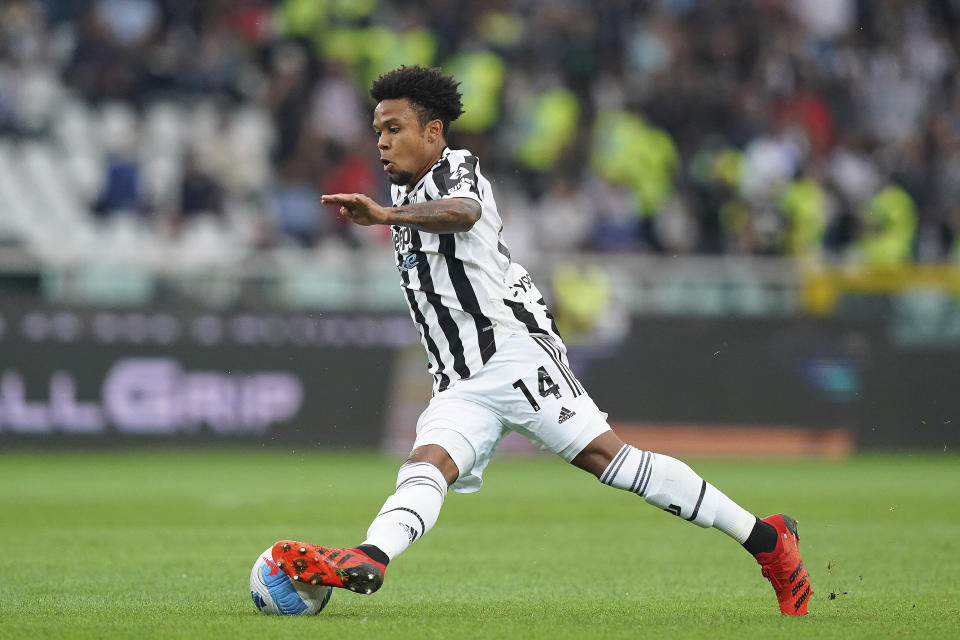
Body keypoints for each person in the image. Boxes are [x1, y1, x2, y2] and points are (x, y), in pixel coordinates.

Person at [271, 65, 812, 616]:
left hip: (514, 354)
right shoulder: (402, 184)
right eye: (377, 130)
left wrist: (385, 216)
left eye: (394, 129)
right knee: (426, 465)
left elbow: (465, 213)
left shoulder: (458, 172)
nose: (382, 142)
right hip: (460, 380)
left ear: (433, 132)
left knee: (612, 461)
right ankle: (370, 557)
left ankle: (769, 543)